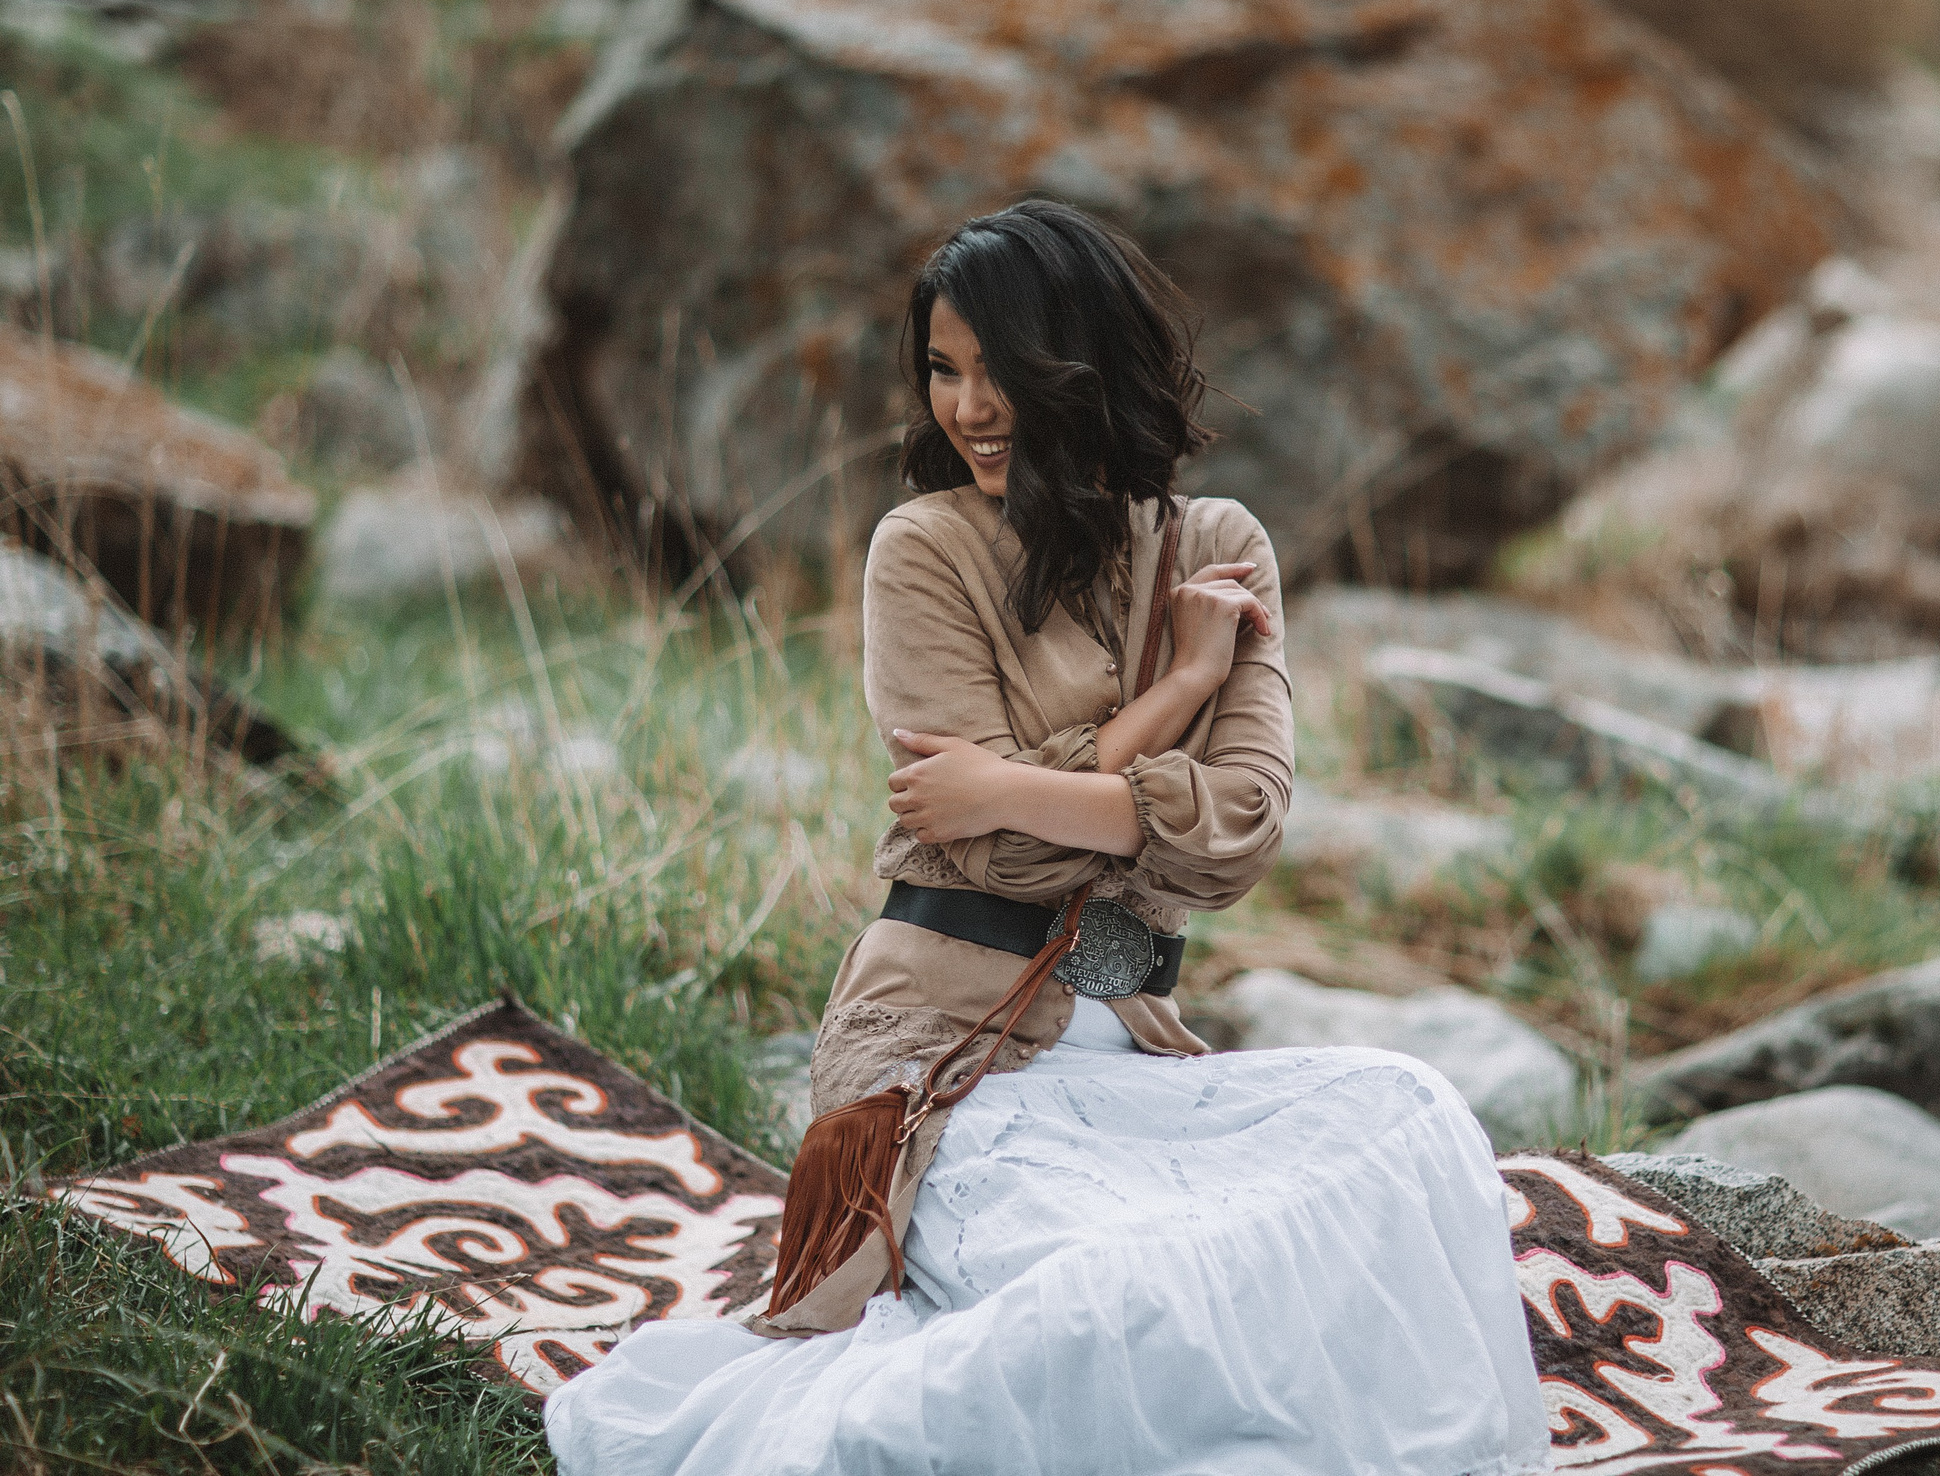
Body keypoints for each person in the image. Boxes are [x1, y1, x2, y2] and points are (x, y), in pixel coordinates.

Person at [544, 200, 1549, 1476]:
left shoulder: (1219, 546)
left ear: (1082, 365)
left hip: (1131, 1054)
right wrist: (1180, 694)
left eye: (997, 368)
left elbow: (1240, 833)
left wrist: (1020, 783)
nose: (967, 406)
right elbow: (996, 861)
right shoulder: (923, 552)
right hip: (940, 1061)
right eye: (942, 369)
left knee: (1407, 1116)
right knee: (1116, 1295)